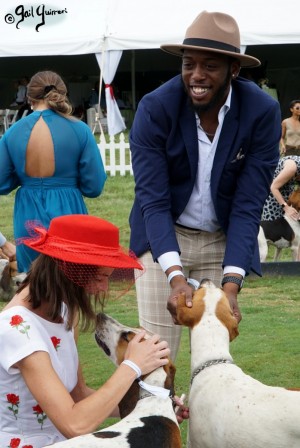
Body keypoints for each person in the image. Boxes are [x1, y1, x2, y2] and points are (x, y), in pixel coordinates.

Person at [129, 10, 282, 359]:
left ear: (234, 69)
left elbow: (248, 203)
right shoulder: (155, 108)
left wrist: (232, 286)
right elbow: (153, 201)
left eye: (210, 66)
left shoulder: (261, 111)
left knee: (214, 363)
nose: (196, 75)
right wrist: (175, 276)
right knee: (155, 358)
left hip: (221, 237)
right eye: (188, 63)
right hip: (163, 235)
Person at [0, 214, 188, 447]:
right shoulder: (18, 330)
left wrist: (154, 406)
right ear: (70, 270)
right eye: (100, 277)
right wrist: (132, 366)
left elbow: (77, 394)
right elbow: (74, 423)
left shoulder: (65, 311)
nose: (104, 288)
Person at [0, 70, 107, 273]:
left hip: (28, 212)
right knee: (71, 282)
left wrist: (24, 175)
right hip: (69, 211)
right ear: (62, 94)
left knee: (33, 284)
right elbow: (94, 187)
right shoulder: (80, 129)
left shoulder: (13, 132)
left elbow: (1, 182)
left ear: (29, 97)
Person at [262, 156, 300, 222]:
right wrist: (286, 207)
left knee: (287, 229)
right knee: (273, 229)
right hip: (274, 196)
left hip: (287, 193)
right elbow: (273, 187)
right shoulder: (291, 168)